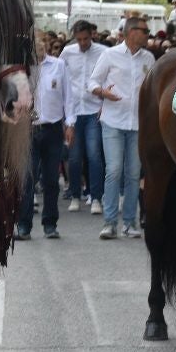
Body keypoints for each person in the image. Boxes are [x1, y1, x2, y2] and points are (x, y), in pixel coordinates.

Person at [89, 16, 155, 239]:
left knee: (134, 174)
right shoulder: (109, 55)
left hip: (138, 124)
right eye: (144, 30)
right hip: (113, 122)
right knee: (114, 170)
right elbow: (92, 82)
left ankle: (129, 223)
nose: (148, 34)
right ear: (130, 32)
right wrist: (103, 92)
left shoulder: (149, 57)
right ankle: (109, 223)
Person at [16, 34, 74, 240]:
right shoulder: (22, 69)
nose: (36, 50)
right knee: (27, 179)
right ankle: (24, 225)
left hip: (52, 129)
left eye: (39, 46)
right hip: (28, 130)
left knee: (50, 180)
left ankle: (50, 224)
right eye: (32, 48)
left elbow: (68, 95)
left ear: (45, 47)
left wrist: (70, 122)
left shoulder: (59, 65)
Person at [60, 20, 107, 214]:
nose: (82, 43)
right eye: (78, 39)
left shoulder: (104, 52)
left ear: (92, 35)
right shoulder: (67, 53)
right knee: (74, 156)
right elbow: (62, 80)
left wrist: (104, 106)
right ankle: (75, 195)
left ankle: (95, 197)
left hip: (94, 109)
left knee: (95, 155)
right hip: (73, 112)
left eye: (86, 38)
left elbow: (109, 79)